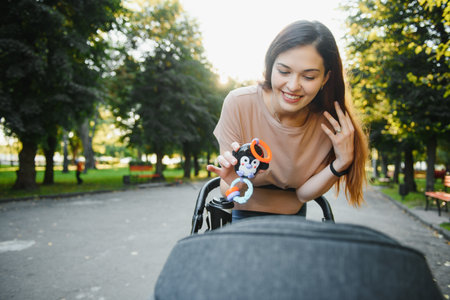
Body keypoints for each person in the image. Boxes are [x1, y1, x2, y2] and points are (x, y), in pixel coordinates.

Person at [207, 20, 369, 222]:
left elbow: (303, 195)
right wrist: (233, 182)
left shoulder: (329, 125)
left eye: (309, 77)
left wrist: (342, 162)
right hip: (241, 219)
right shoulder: (239, 103)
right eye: (284, 72)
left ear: (325, 79)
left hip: (294, 222)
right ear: (270, 66)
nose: (293, 86)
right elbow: (229, 188)